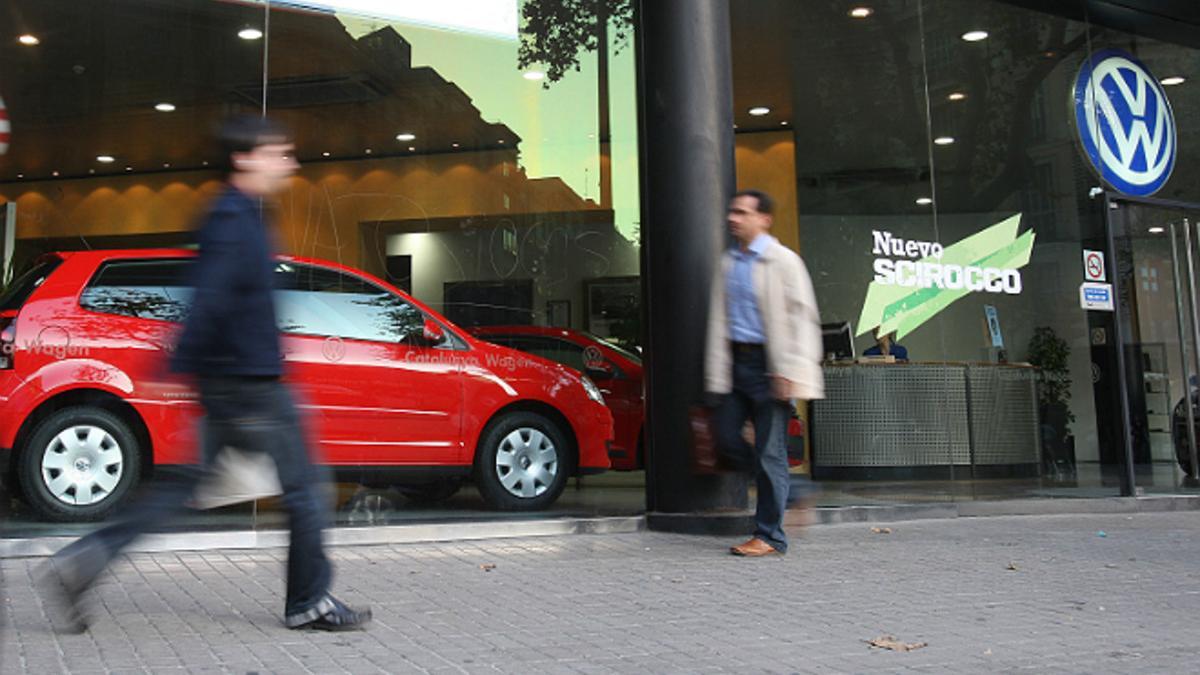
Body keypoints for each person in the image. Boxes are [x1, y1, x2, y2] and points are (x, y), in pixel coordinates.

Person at [38, 115, 371, 632]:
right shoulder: (235, 219)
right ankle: (309, 601)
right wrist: (176, 362)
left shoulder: (241, 215)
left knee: (183, 485)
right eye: (278, 152)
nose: (290, 162)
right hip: (249, 385)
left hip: (230, 380)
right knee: (306, 488)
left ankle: (87, 558)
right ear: (245, 158)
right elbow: (210, 296)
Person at [705, 189, 824, 557]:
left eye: (741, 212)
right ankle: (798, 492)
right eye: (732, 212)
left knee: (769, 453)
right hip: (736, 364)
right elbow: (718, 320)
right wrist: (715, 371)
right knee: (725, 439)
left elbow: (803, 319)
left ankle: (770, 536)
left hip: (770, 367)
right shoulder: (729, 263)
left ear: (764, 219)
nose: (733, 218)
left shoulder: (784, 262)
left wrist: (788, 369)